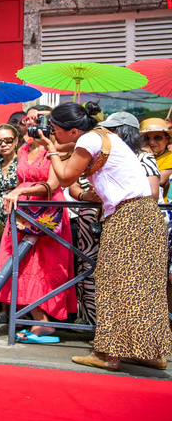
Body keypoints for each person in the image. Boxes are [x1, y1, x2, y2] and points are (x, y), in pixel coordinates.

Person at [40, 102, 172, 370]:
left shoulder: (90, 139)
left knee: (112, 285)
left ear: (73, 130)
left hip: (128, 217)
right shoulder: (103, 137)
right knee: (145, 289)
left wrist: (50, 150)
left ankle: (107, 354)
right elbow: (72, 149)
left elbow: (65, 178)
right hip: (146, 216)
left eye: (54, 129)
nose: (53, 134)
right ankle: (152, 354)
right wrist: (55, 146)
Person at [69, 112, 160, 326]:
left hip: (128, 217)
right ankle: (93, 323)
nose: (106, 134)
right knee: (97, 275)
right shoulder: (99, 153)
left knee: (126, 281)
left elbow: (153, 193)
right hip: (99, 220)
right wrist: (85, 195)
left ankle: (119, 339)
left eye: (111, 130)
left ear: (123, 132)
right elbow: (72, 183)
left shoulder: (141, 157)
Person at [0, 108, 75, 344]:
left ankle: (43, 323)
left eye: (38, 119)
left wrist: (20, 192)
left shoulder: (59, 149)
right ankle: (33, 319)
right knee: (17, 263)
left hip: (48, 211)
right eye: (29, 119)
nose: (32, 123)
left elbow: (53, 184)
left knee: (44, 266)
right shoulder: (23, 149)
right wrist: (19, 192)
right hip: (22, 211)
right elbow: (21, 178)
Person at [0, 123, 20, 263]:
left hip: (18, 216)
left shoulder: (22, 162)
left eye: (8, 140)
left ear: (16, 141)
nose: (3, 145)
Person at [139, 118, 172, 201]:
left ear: (167, 139)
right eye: (146, 138)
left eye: (157, 137)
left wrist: (147, 157)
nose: (151, 142)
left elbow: (159, 181)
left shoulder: (170, 157)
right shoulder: (137, 156)